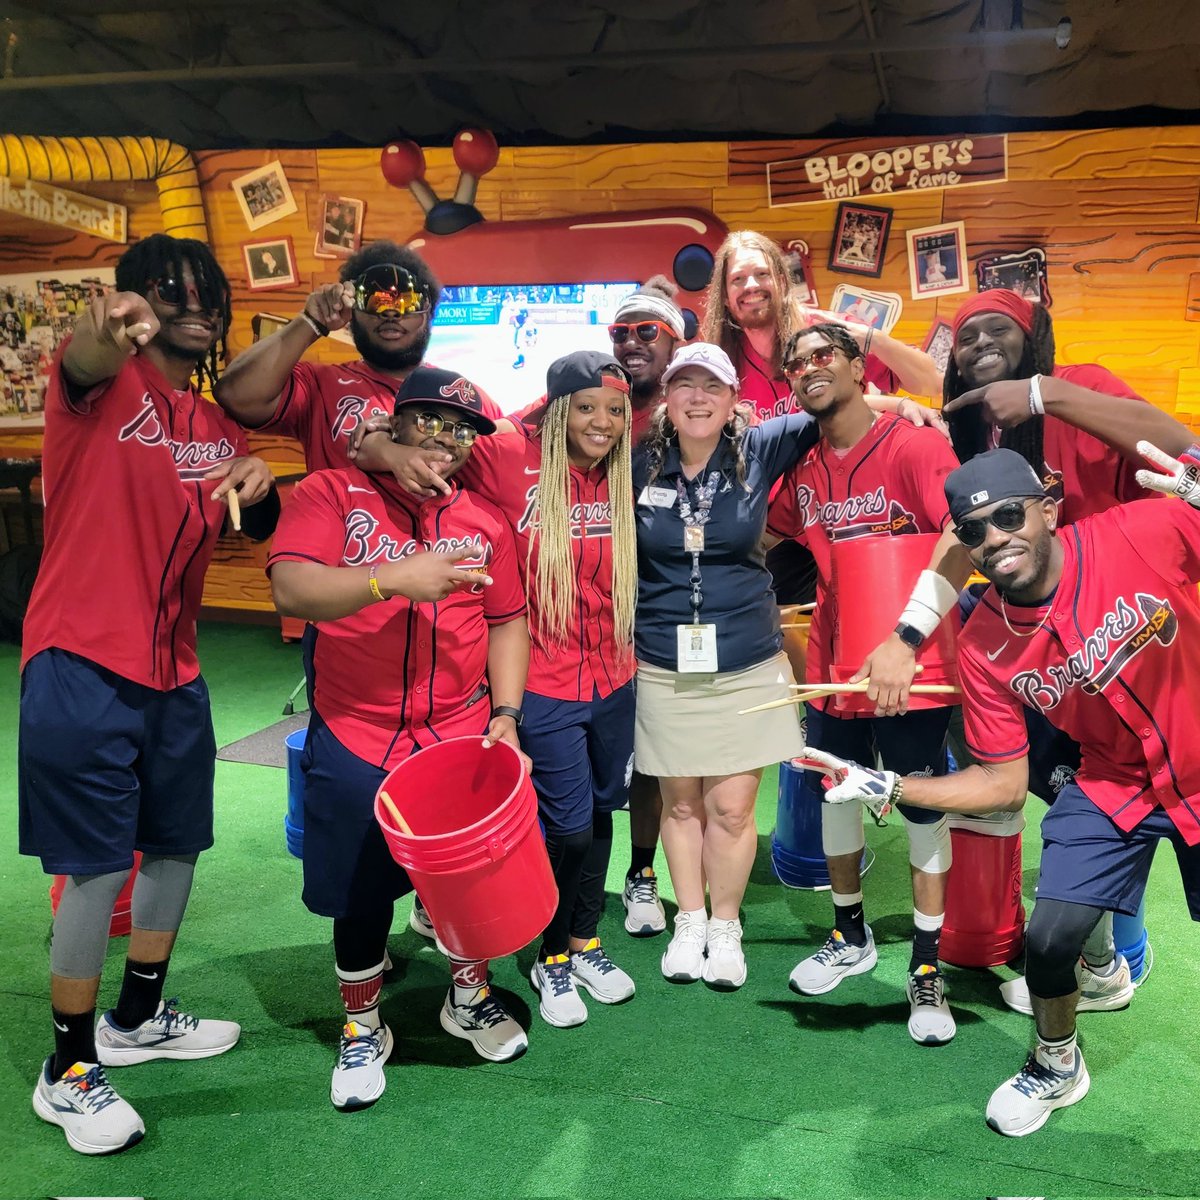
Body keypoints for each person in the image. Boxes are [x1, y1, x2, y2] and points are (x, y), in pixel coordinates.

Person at [805, 445, 1200, 1136]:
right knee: (1047, 941)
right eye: (973, 530)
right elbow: (1002, 783)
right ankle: (1056, 1064)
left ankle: (1105, 970)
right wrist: (895, 786)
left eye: (1009, 516)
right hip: (1112, 781)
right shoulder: (985, 641)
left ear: (1048, 510)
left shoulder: (1140, 529)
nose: (994, 538)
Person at [859, 288, 1198, 1010]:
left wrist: (1044, 395)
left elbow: (1173, 441)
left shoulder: (1077, 385)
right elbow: (961, 540)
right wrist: (908, 635)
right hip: (1056, 655)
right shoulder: (986, 441)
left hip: (1146, 629)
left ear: (1033, 339)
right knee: (1072, 800)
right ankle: (1098, 959)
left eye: (998, 330)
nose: (980, 342)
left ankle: (1115, 952)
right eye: (967, 334)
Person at [20, 233, 277, 1155]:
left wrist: (260, 480)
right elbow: (87, 355)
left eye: (205, 289)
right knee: (95, 868)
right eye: (167, 291)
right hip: (81, 662)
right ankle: (69, 1068)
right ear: (135, 301)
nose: (191, 302)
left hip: (175, 671)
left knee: (174, 846)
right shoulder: (99, 383)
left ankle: (136, 1017)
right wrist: (105, 331)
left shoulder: (213, 426)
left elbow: (254, 512)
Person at [267, 366, 531, 1112]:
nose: (443, 445)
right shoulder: (330, 493)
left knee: (462, 885)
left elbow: (508, 619)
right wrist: (390, 579)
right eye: (428, 424)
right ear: (396, 420)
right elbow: (291, 588)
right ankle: (361, 1023)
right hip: (358, 731)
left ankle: (468, 996)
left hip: (456, 731)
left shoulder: (484, 519)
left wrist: (505, 716)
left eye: (461, 433)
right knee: (361, 892)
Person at [764, 323, 960, 1044]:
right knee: (837, 790)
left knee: (917, 801)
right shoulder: (804, 470)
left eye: (824, 356)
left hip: (912, 662)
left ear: (856, 365)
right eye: (797, 363)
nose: (810, 369)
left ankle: (928, 966)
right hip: (834, 660)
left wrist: (905, 639)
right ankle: (851, 934)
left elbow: (958, 535)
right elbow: (766, 532)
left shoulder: (913, 442)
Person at [448, 350, 639, 1026]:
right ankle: (549, 953)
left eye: (615, 410)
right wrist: (381, 441)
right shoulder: (505, 455)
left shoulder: (618, 468)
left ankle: (585, 939)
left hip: (617, 674)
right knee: (566, 825)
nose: (603, 422)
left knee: (601, 812)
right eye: (586, 407)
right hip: (545, 679)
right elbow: (435, 447)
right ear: (556, 410)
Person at [633, 342, 818, 989]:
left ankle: (725, 925)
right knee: (679, 803)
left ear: (733, 398)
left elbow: (841, 408)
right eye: (684, 384)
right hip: (661, 658)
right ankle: (688, 918)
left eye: (711, 386)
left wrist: (912, 412)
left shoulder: (761, 449)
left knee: (734, 809)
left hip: (746, 656)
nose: (697, 397)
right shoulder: (638, 465)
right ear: (667, 398)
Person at [700, 229, 944, 607]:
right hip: (777, 526)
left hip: (853, 510)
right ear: (726, 296)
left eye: (762, 274)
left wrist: (869, 338)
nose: (752, 286)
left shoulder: (821, 335)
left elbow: (929, 381)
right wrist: (891, 404)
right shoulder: (719, 362)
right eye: (738, 279)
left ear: (782, 279)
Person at [215, 240, 501, 474]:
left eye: (407, 300)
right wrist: (311, 322)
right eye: (375, 300)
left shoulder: (461, 396)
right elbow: (236, 395)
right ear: (351, 312)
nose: (391, 312)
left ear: (428, 312)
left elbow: (507, 448)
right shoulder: (318, 385)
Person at [606, 277, 687, 936]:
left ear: (675, 341)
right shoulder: (592, 402)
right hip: (594, 609)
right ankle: (570, 871)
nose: (633, 344)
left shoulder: (697, 407)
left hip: (668, 608)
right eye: (622, 333)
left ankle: (643, 872)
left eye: (647, 333)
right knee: (590, 752)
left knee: (660, 752)